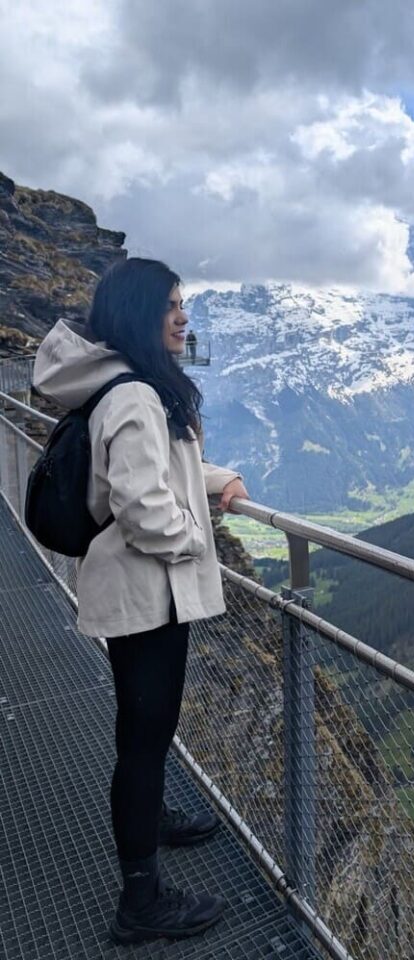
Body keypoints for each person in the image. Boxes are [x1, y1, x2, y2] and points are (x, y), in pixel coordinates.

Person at [32, 257, 250, 945]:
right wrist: (194, 541)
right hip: (147, 593)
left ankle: (149, 821)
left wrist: (218, 478)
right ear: (137, 315)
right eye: (169, 306)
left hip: (143, 592)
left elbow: (159, 468)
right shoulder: (133, 396)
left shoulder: (129, 387)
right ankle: (141, 900)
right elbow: (142, 504)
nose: (183, 317)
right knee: (144, 739)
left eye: (183, 304)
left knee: (144, 732)